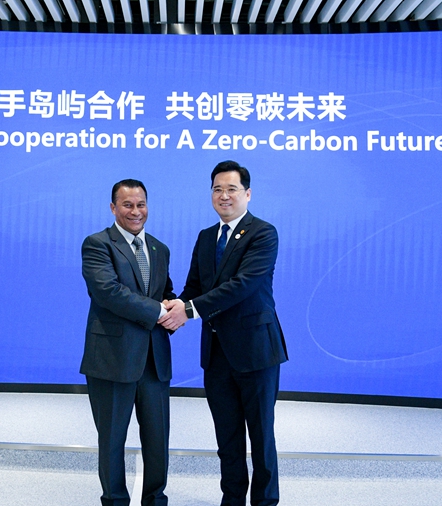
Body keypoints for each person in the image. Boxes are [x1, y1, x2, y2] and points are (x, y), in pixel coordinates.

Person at [160, 161, 288, 506]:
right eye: (217, 189)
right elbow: (194, 287)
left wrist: (188, 310)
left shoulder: (263, 233)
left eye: (232, 189)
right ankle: (231, 500)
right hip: (217, 354)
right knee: (227, 438)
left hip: (256, 351)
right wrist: (171, 306)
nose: (224, 195)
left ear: (248, 193)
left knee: (261, 436)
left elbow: (242, 286)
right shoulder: (206, 237)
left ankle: (265, 502)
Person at [80, 179, 180, 506]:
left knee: (158, 441)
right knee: (112, 440)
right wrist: (158, 311)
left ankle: (156, 500)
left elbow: (165, 292)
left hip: (154, 361)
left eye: (141, 204)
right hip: (112, 360)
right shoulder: (97, 244)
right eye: (127, 205)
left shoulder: (160, 249)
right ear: (113, 208)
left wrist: (176, 309)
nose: (136, 212)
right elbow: (108, 292)